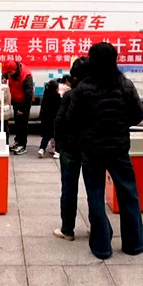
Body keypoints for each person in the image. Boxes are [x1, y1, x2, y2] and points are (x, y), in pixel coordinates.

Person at [66, 43, 143, 259]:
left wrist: (88, 129)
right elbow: (138, 114)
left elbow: (72, 119)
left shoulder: (83, 88)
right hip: (118, 148)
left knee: (95, 196)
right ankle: (134, 243)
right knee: (128, 194)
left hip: (91, 150)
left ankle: (102, 246)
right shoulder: (125, 85)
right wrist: (120, 123)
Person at [52, 56, 90, 242]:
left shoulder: (70, 95)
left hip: (70, 147)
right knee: (94, 188)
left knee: (68, 188)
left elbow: (59, 122)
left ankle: (67, 229)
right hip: (91, 147)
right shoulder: (97, 93)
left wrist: (60, 144)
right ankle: (97, 226)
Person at [2, 60, 34, 155]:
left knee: (23, 124)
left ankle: (22, 145)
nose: (8, 74)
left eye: (9, 72)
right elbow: (4, 74)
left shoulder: (26, 76)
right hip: (16, 100)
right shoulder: (10, 71)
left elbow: (28, 95)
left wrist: (23, 109)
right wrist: (4, 78)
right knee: (17, 122)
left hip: (24, 102)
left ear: (15, 70)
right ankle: (17, 141)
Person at [37, 80, 61, 158]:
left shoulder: (45, 95)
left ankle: (42, 149)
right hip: (55, 119)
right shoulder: (57, 97)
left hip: (46, 119)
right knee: (57, 136)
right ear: (56, 88)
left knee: (46, 136)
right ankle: (57, 152)